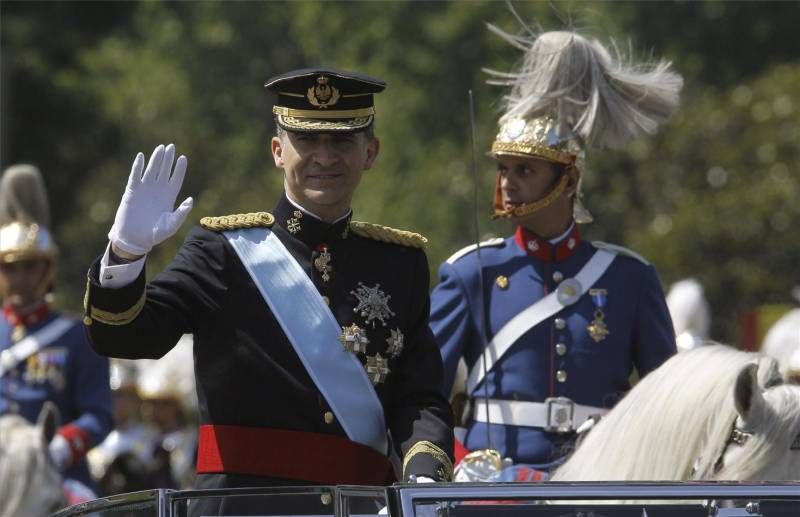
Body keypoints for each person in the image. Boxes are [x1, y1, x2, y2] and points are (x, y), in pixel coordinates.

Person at [82, 69, 454, 500]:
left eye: (342, 141)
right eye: (308, 141)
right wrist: (125, 254)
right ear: (278, 151)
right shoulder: (223, 252)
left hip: (360, 506)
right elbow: (124, 337)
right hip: (242, 504)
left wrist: (424, 476)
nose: (325, 157)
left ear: (370, 153)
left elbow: (420, 397)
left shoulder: (399, 264)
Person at [429, 29, 681, 479]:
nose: (508, 182)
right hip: (494, 488)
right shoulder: (472, 272)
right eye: (503, 169)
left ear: (568, 179)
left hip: (601, 484)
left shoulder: (630, 278)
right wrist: (462, 465)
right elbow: (423, 396)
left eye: (525, 169)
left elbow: (670, 401)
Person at [0, 164, 113, 498]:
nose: (19, 277)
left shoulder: (78, 336)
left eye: (30, 266)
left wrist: (61, 447)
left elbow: (98, 414)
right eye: (9, 267)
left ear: (48, 270)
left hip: (57, 470)